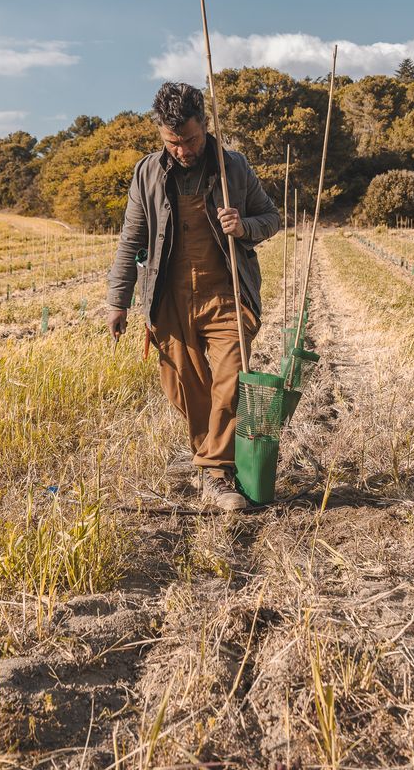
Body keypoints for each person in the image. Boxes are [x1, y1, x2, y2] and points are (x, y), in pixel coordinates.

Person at [106, 81, 280, 510]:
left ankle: (217, 475)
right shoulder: (147, 172)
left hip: (227, 292)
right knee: (183, 385)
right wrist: (117, 300)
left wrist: (243, 227)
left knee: (231, 380)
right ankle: (212, 456)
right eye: (172, 142)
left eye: (190, 140)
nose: (182, 150)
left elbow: (272, 217)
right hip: (170, 296)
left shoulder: (233, 167)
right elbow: (132, 238)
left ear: (205, 124)